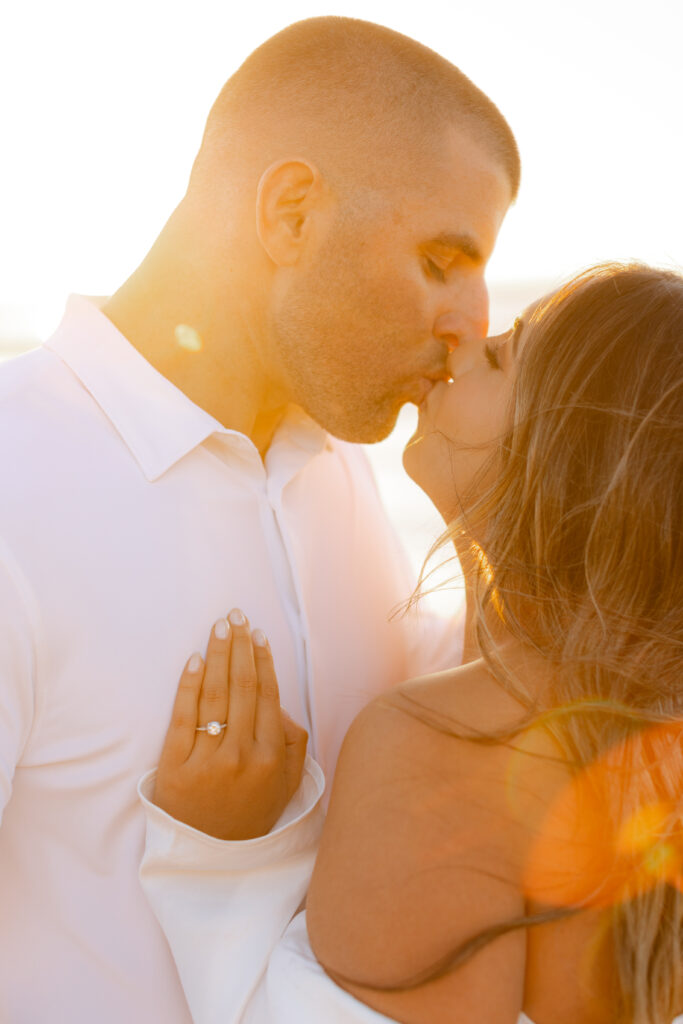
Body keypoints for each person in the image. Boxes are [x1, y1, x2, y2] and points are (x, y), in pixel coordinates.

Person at [0, 17, 520, 1024]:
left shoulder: (342, 476)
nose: (471, 318)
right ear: (289, 213)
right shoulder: (14, 475)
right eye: (441, 259)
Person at [140, 263, 683, 1024]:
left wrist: (223, 859)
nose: (462, 342)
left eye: (499, 356)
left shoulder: (446, 745)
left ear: (563, 453)